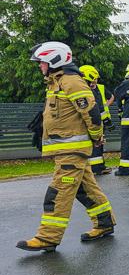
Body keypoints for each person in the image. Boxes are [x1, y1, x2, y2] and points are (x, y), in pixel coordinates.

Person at [16, 42, 117, 252]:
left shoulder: (72, 81)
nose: (39, 66)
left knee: (58, 192)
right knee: (85, 188)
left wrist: (97, 137)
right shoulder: (57, 82)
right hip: (67, 150)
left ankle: (47, 237)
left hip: (72, 152)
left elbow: (91, 112)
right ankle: (105, 223)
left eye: (42, 62)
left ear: (55, 60)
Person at [79, 65, 113, 175]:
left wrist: (106, 110)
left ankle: (98, 166)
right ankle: (94, 167)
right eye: (92, 79)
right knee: (93, 144)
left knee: (99, 144)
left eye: (96, 79)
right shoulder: (82, 90)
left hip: (100, 121)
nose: (94, 81)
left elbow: (110, 98)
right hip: (89, 121)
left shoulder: (100, 88)